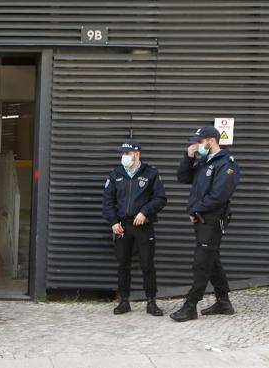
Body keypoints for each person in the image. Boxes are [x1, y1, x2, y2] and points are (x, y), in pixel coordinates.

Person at [170, 126, 240, 322]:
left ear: (211, 140)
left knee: (201, 262)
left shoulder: (226, 164)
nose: (197, 145)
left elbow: (219, 195)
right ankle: (224, 301)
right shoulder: (204, 162)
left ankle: (190, 305)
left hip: (212, 219)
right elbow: (183, 177)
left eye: (200, 142)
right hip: (201, 219)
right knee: (212, 259)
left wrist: (196, 209)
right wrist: (188, 157)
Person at [102, 140, 167, 316]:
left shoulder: (151, 173)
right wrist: (114, 222)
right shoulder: (115, 174)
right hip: (122, 227)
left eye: (127, 154)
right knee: (123, 264)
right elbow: (107, 201)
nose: (124, 157)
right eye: (122, 154)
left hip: (143, 226)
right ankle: (124, 301)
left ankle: (151, 302)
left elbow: (160, 198)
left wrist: (145, 212)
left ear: (137, 154)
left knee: (147, 264)